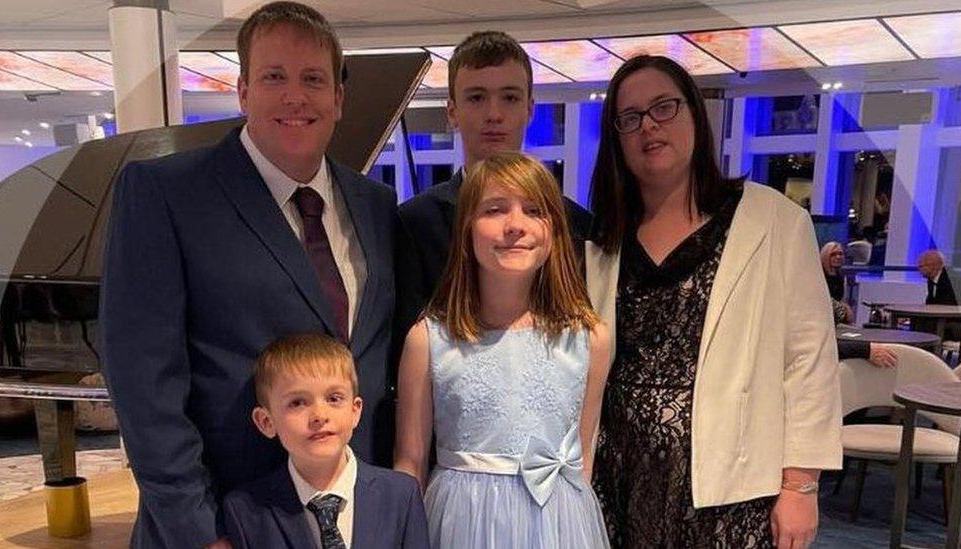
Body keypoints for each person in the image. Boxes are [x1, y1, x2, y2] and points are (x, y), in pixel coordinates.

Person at [100, 3, 397, 547]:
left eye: (313, 79)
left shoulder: (375, 204)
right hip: (228, 523)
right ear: (242, 91)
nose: (295, 96)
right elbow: (145, 388)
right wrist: (198, 531)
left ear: (338, 97)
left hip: (354, 517)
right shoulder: (165, 195)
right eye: (273, 76)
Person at [586, 55, 841, 548]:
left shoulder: (774, 221)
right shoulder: (602, 240)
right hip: (617, 477)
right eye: (631, 117)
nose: (649, 127)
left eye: (664, 107)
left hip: (731, 483)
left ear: (695, 116)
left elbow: (809, 361)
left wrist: (801, 485)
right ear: (616, 137)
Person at [394, 152, 611, 548]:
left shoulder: (590, 338)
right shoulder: (428, 340)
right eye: (495, 209)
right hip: (462, 523)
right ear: (466, 230)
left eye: (534, 210)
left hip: (557, 525)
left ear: (555, 232)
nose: (516, 225)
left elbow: (583, 454)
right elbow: (409, 463)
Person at [395, 31, 592, 347]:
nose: (494, 115)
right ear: (452, 112)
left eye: (509, 98)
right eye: (476, 98)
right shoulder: (414, 223)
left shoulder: (574, 224)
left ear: (529, 109)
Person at [222, 333, 428, 549]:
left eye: (333, 398)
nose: (320, 415)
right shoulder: (245, 511)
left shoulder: (401, 495)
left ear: (355, 410)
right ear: (266, 421)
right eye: (298, 402)